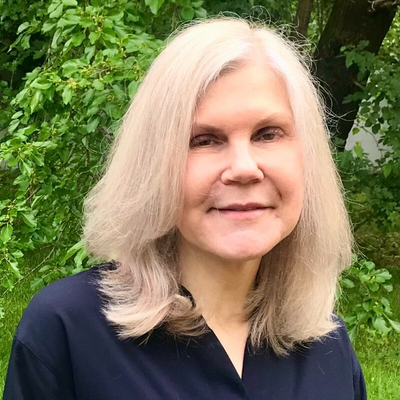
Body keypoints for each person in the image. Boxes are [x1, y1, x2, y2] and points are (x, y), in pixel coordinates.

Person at [3, 18, 367, 399]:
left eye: (267, 134)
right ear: (153, 166)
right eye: (204, 140)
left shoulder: (330, 349)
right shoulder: (66, 333)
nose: (244, 168)